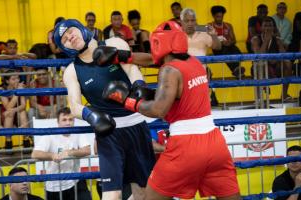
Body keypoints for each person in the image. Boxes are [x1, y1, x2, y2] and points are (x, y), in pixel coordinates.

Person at [103, 20, 240, 200]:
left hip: (186, 147)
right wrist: (122, 56)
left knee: (149, 197)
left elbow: (158, 110)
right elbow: (155, 62)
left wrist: (127, 101)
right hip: (216, 145)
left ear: (159, 43)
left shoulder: (169, 70)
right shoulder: (194, 62)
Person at [53, 19, 155, 200]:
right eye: (65, 39)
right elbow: (74, 106)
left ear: (81, 28)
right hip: (109, 133)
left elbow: (131, 68)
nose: (70, 37)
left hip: (136, 124)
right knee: (111, 195)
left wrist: (139, 86)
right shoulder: (72, 71)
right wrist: (91, 115)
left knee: (143, 192)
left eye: (71, 31)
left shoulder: (115, 43)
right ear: (65, 47)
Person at [31, 107, 92, 200]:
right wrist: (52, 155)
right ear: (58, 122)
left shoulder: (77, 132)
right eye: (64, 120)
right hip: (55, 184)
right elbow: (35, 154)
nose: (68, 123)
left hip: (75, 180)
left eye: (70, 119)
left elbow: (87, 150)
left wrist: (69, 152)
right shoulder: (50, 134)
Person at [180, 8, 221, 106]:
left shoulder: (203, 33)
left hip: (200, 77)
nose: (190, 23)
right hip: (182, 76)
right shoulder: (176, 34)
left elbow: (217, 47)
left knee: (201, 105)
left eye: (193, 20)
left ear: (196, 21)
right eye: (187, 21)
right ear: (181, 22)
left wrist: (214, 35)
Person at [251, 17, 293, 101]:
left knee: (288, 63)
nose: (268, 28)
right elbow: (258, 56)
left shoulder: (277, 40)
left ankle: (284, 95)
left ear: (273, 28)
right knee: (259, 64)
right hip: (261, 67)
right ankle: (259, 97)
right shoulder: (255, 39)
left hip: (275, 66)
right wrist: (266, 41)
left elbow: (284, 55)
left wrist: (276, 59)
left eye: (270, 25)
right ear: (261, 28)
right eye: (265, 26)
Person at [208, 5, 245, 78]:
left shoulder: (228, 25)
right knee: (224, 49)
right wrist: (219, 42)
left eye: (221, 17)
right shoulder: (209, 26)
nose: (220, 19)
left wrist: (229, 42)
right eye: (217, 17)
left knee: (235, 49)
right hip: (217, 48)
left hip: (229, 47)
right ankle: (236, 70)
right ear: (213, 16)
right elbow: (208, 40)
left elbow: (234, 40)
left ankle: (237, 70)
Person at [0, 69, 31, 149]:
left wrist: (14, 110)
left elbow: (23, 105)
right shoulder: (1, 89)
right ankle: (8, 142)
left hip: (18, 111)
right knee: (9, 114)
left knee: (22, 112)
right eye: (13, 79)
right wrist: (17, 93)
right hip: (5, 114)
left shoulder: (21, 86)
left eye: (18, 78)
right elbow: (8, 107)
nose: (17, 81)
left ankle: (26, 140)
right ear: (7, 81)